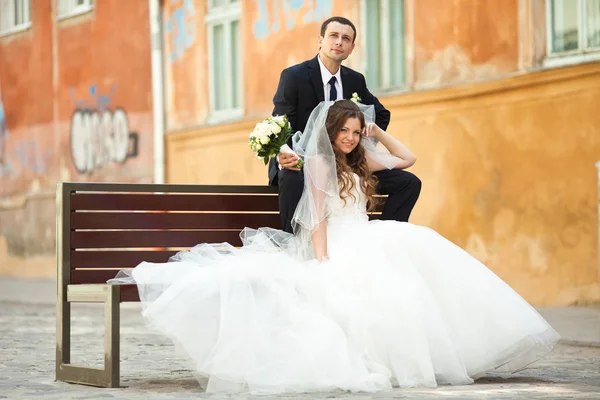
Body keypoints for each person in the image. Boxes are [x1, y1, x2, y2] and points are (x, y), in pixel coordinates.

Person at [109, 100, 560, 394]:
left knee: (421, 252)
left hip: (368, 234)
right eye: (344, 130)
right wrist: (322, 260)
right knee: (378, 281)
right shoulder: (321, 163)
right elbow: (319, 216)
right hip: (341, 240)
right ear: (330, 131)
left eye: (354, 130)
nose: (349, 137)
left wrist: (375, 132)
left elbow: (408, 160)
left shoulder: (362, 156)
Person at [270, 16, 421, 233]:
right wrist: (284, 154)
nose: (339, 42)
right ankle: (293, 244)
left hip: (344, 163)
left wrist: (357, 144)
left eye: (345, 39)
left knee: (408, 182)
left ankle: (385, 239)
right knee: (292, 178)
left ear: (351, 48)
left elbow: (381, 114)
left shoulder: (354, 80)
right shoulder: (294, 76)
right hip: (303, 162)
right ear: (320, 40)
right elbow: (281, 121)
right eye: (333, 36)